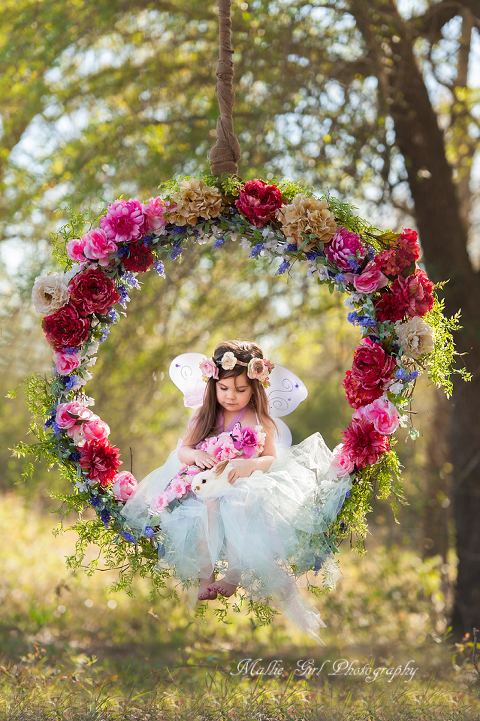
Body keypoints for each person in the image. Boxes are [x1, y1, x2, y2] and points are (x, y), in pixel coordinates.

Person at [121, 340, 352, 644]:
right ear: (213, 386)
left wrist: (250, 465)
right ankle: (205, 577)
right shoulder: (204, 415)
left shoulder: (261, 420)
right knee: (209, 507)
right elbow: (184, 451)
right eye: (224, 389)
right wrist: (197, 457)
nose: (231, 396)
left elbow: (270, 457)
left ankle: (234, 573)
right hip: (207, 482)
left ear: (254, 389)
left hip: (245, 483)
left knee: (238, 502)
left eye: (241, 390)